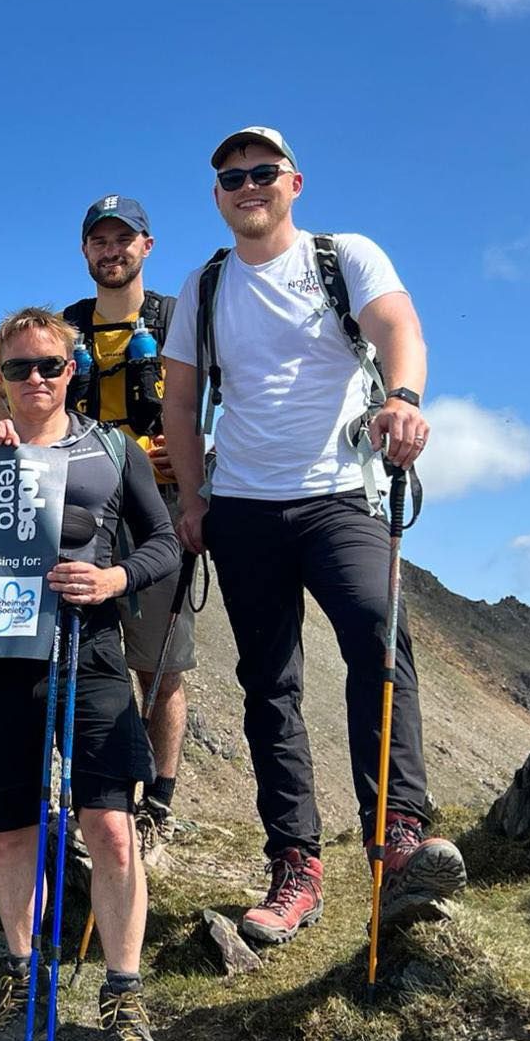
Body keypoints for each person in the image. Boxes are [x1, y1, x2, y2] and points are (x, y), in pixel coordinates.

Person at [159, 125, 466, 947]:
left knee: (377, 632)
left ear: (295, 183)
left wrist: (402, 394)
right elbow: (180, 400)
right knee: (268, 683)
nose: (247, 185)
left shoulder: (344, 255)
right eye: (231, 177)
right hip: (244, 507)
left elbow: (400, 324)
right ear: (217, 196)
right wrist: (193, 498)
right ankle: (296, 864)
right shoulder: (207, 283)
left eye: (262, 172)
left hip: (341, 496)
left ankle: (398, 831)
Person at [0, 307, 176, 1041]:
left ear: (72, 368)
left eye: (48, 365)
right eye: (16, 368)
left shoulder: (113, 448)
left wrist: (115, 578)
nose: (34, 380)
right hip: (0, 658)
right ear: (0, 375)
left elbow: (162, 541)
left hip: (89, 653)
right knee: (13, 833)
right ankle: (25, 981)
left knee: (112, 829)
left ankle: (125, 1001)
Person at [56, 195, 195, 858]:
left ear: (147, 244)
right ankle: (102, 795)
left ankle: (157, 806)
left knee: (162, 665)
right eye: (98, 240)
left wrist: (196, 455)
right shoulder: (65, 329)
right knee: (91, 658)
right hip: (83, 516)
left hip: (159, 509)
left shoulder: (179, 320)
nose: (111, 250)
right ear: (85, 251)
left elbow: (219, 393)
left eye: (123, 238)